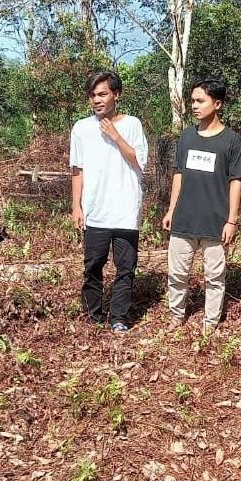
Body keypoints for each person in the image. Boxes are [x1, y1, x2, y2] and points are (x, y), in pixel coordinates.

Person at [161, 78, 241, 336]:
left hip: (215, 222)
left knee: (214, 276)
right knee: (177, 273)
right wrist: (170, 210)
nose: (194, 106)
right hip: (184, 219)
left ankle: (210, 322)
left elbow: (236, 182)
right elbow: (179, 174)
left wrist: (232, 220)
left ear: (217, 104)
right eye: (192, 101)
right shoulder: (187, 136)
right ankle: (176, 315)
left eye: (200, 101)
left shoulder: (232, 141)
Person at [69, 71, 150, 332]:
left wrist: (116, 135)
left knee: (126, 268)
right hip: (95, 211)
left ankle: (118, 318)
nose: (97, 100)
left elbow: (139, 161)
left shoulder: (133, 125)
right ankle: (94, 316)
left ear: (117, 94)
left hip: (126, 211)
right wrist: (76, 206)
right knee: (93, 266)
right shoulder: (81, 128)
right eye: (92, 95)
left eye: (102, 94)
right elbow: (77, 170)